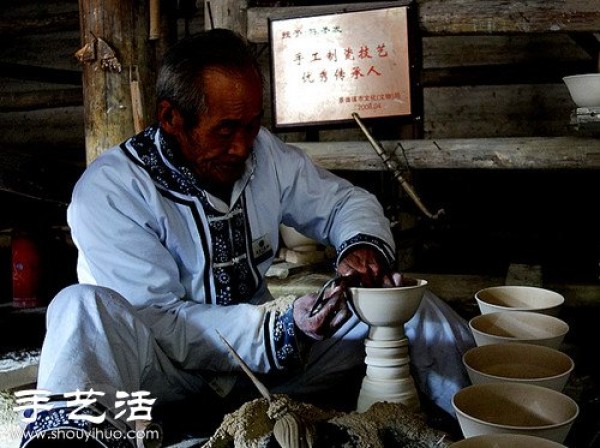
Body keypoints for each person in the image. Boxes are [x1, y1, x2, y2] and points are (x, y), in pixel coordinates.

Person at [20, 29, 474, 447]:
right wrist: (280, 327)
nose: (242, 146)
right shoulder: (112, 191)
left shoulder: (263, 154)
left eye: (252, 125)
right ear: (170, 117)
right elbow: (166, 324)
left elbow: (342, 203)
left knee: (409, 306)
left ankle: (491, 416)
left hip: (270, 367)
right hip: (165, 379)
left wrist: (359, 247)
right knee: (79, 307)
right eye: (225, 130)